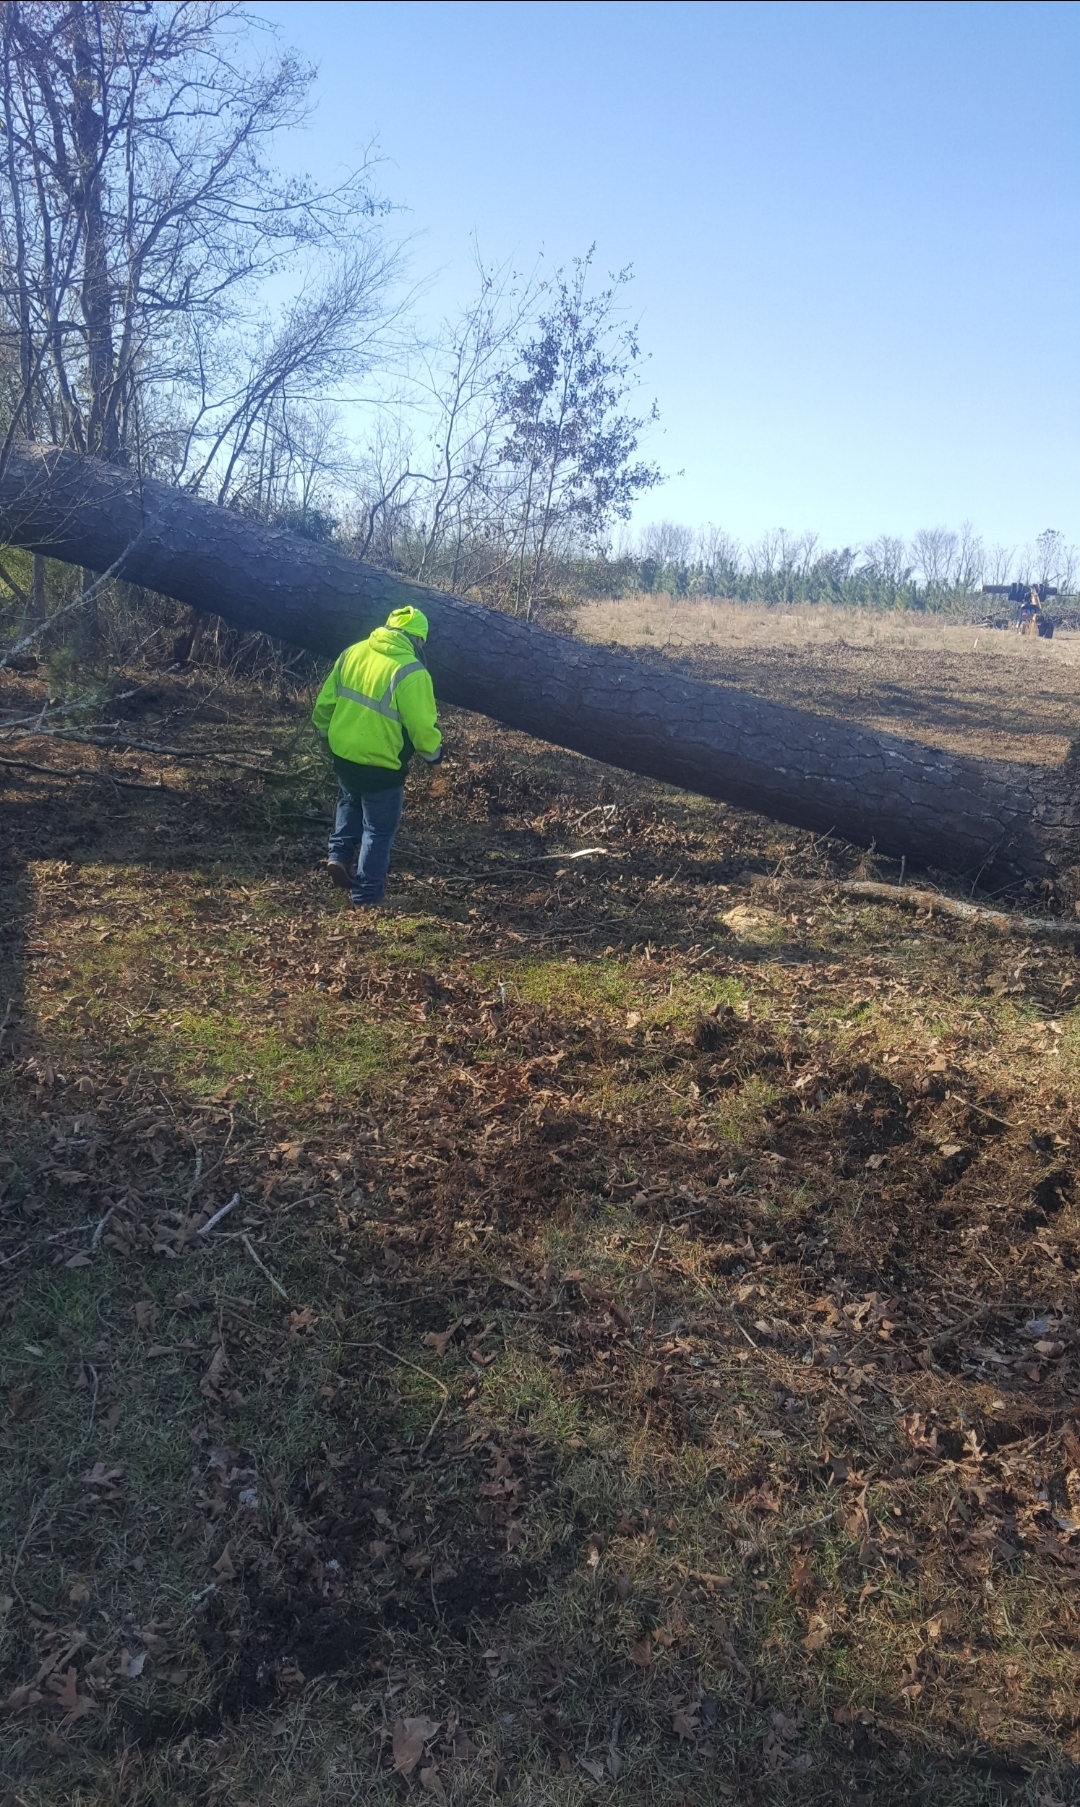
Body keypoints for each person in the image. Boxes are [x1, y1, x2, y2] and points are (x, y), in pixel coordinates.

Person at [311, 606, 442, 909]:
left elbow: (325, 703)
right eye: (422, 641)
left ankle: (338, 856)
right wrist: (434, 757)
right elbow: (422, 727)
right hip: (382, 766)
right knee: (378, 830)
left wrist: (323, 735)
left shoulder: (353, 653)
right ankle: (367, 897)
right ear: (416, 639)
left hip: (345, 755)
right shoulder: (412, 671)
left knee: (349, 800)